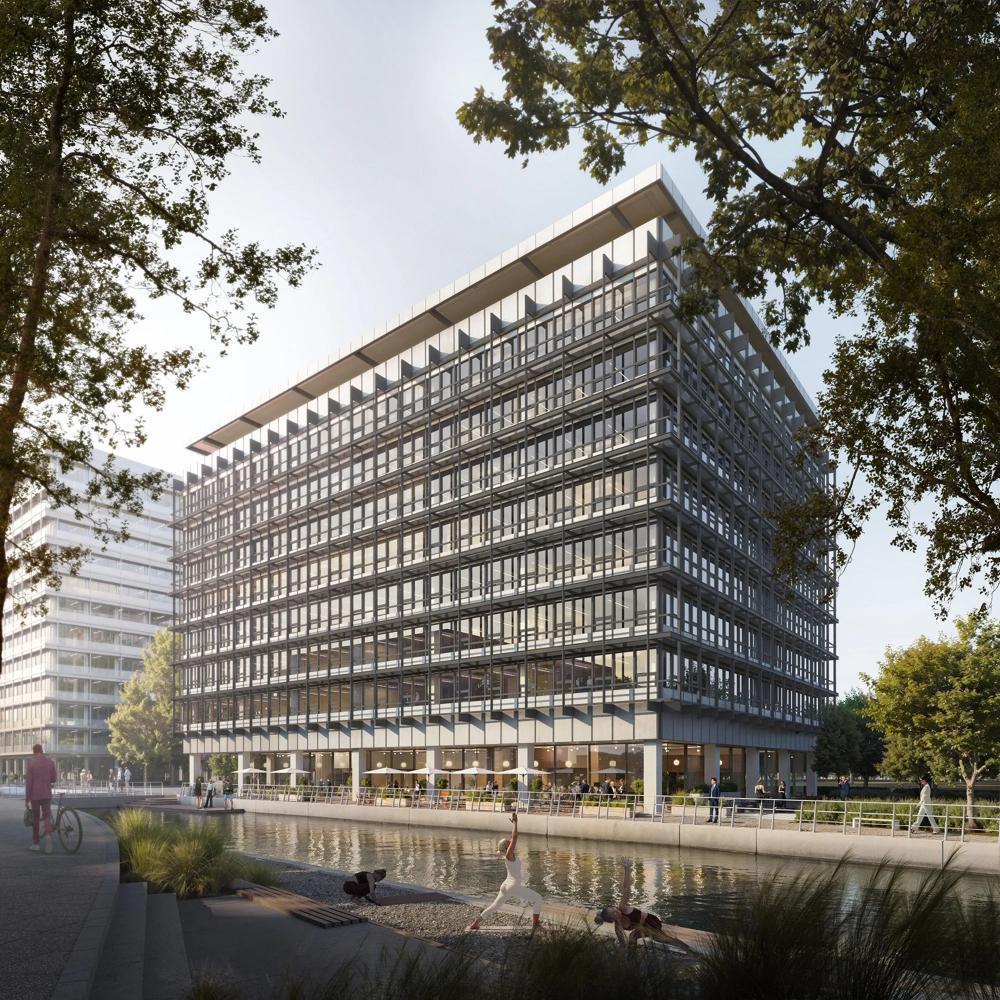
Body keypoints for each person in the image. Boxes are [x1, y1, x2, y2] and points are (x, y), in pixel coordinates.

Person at [467, 811, 543, 931]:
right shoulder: (509, 855)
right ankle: (536, 923)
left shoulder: (508, 856)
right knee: (538, 898)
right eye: (509, 843)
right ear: (507, 847)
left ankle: (476, 922)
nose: (510, 842)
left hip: (506, 885)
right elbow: (515, 837)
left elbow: (512, 838)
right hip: (512, 886)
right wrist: (515, 823)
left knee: (495, 906)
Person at [595, 859, 688, 952]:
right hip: (642, 928)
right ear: (612, 919)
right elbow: (622, 943)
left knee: (665, 940)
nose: (616, 910)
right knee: (633, 937)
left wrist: (627, 869)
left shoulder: (622, 907)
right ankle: (632, 959)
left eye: (613, 908)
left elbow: (626, 888)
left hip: (651, 922)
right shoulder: (618, 927)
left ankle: (689, 950)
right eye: (614, 913)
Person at [25, 744, 57, 854]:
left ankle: (36, 844)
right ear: (42, 751)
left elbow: (29, 783)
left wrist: (27, 798)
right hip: (47, 794)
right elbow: (54, 779)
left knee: (35, 819)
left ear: (34, 752)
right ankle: (48, 836)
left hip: (34, 795)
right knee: (47, 816)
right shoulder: (50, 762)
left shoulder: (31, 763)